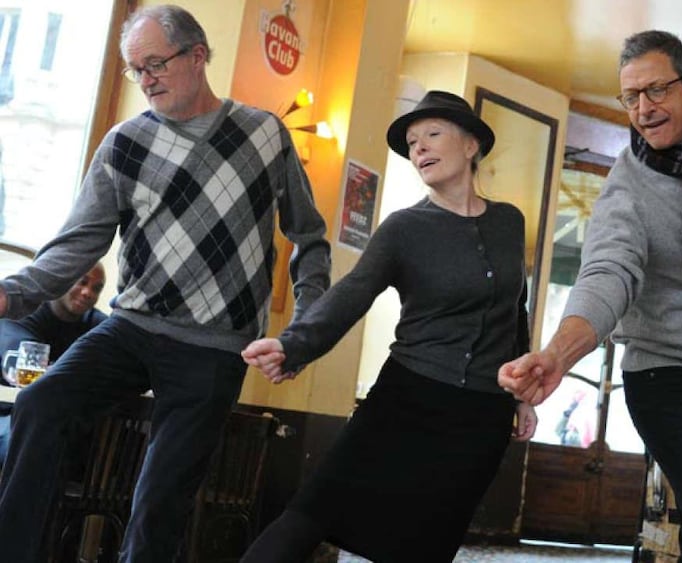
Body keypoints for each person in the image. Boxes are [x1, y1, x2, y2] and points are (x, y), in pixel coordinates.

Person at [0, 5, 331, 562]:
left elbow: (310, 237)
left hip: (215, 348)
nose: (145, 79)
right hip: (130, 329)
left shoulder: (265, 134)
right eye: (135, 69)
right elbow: (78, 244)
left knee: (160, 501)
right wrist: (13, 292)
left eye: (155, 64)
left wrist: (307, 331)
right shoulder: (124, 144)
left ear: (197, 56)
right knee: (39, 403)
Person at [498, 30, 682, 561]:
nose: (643, 110)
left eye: (656, 91)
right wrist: (557, 353)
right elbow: (607, 274)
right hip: (664, 376)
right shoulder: (627, 188)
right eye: (630, 97)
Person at [239, 90, 537, 563]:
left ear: (471, 145)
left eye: (432, 134)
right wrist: (293, 345)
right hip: (406, 400)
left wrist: (521, 395)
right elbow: (352, 292)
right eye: (413, 143)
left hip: (481, 416)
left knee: (428, 544)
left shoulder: (508, 222)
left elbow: (513, 310)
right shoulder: (403, 229)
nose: (419, 148)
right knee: (310, 514)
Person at [0, 263, 108, 466]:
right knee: (25, 439)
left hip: (63, 422)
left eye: (96, 288)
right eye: (82, 282)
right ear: (64, 280)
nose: (87, 292)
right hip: (15, 414)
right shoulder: (26, 312)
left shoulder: (99, 324)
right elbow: (21, 353)